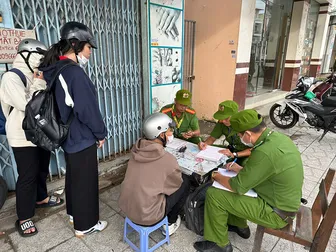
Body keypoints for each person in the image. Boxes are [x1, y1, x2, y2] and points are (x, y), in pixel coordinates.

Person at [194, 109, 304, 252]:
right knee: (234, 182)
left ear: (247, 134)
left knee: (214, 194)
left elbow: (237, 187)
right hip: (281, 201)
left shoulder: (264, 152)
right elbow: (264, 171)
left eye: (239, 135)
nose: (240, 138)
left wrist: (216, 175)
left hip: (276, 213)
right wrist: (239, 169)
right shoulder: (277, 139)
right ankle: (240, 226)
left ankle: (219, 244)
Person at [38, 21, 107, 237]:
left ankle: (73, 214)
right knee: (85, 182)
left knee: (74, 178)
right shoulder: (74, 73)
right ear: (76, 45)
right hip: (81, 136)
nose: (90, 53)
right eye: (88, 48)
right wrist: (101, 133)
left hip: (69, 136)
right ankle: (85, 225)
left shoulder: (58, 69)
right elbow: (87, 109)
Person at [0, 38, 64, 237]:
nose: (41, 61)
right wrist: (38, 81)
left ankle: (41, 198)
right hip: (21, 135)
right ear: (25, 56)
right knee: (27, 175)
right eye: (39, 56)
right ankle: (24, 217)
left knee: (42, 168)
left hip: (39, 132)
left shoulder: (36, 75)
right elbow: (27, 105)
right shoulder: (11, 77)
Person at [118, 113, 190, 235]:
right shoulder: (167, 159)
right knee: (185, 182)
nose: (171, 134)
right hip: (148, 216)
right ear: (161, 134)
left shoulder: (137, 150)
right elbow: (175, 185)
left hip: (127, 208)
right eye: (169, 132)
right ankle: (170, 223)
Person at [198, 100, 251, 165]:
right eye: (221, 118)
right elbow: (212, 138)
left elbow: (255, 148)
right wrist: (204, 144)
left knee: (245, 165)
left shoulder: (245, 124)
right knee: (208, 151)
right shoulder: (222, 122)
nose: (223, 121)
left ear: (235, 116)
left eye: (226, 118)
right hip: (231, 149)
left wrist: (235, 154)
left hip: (246, 153)